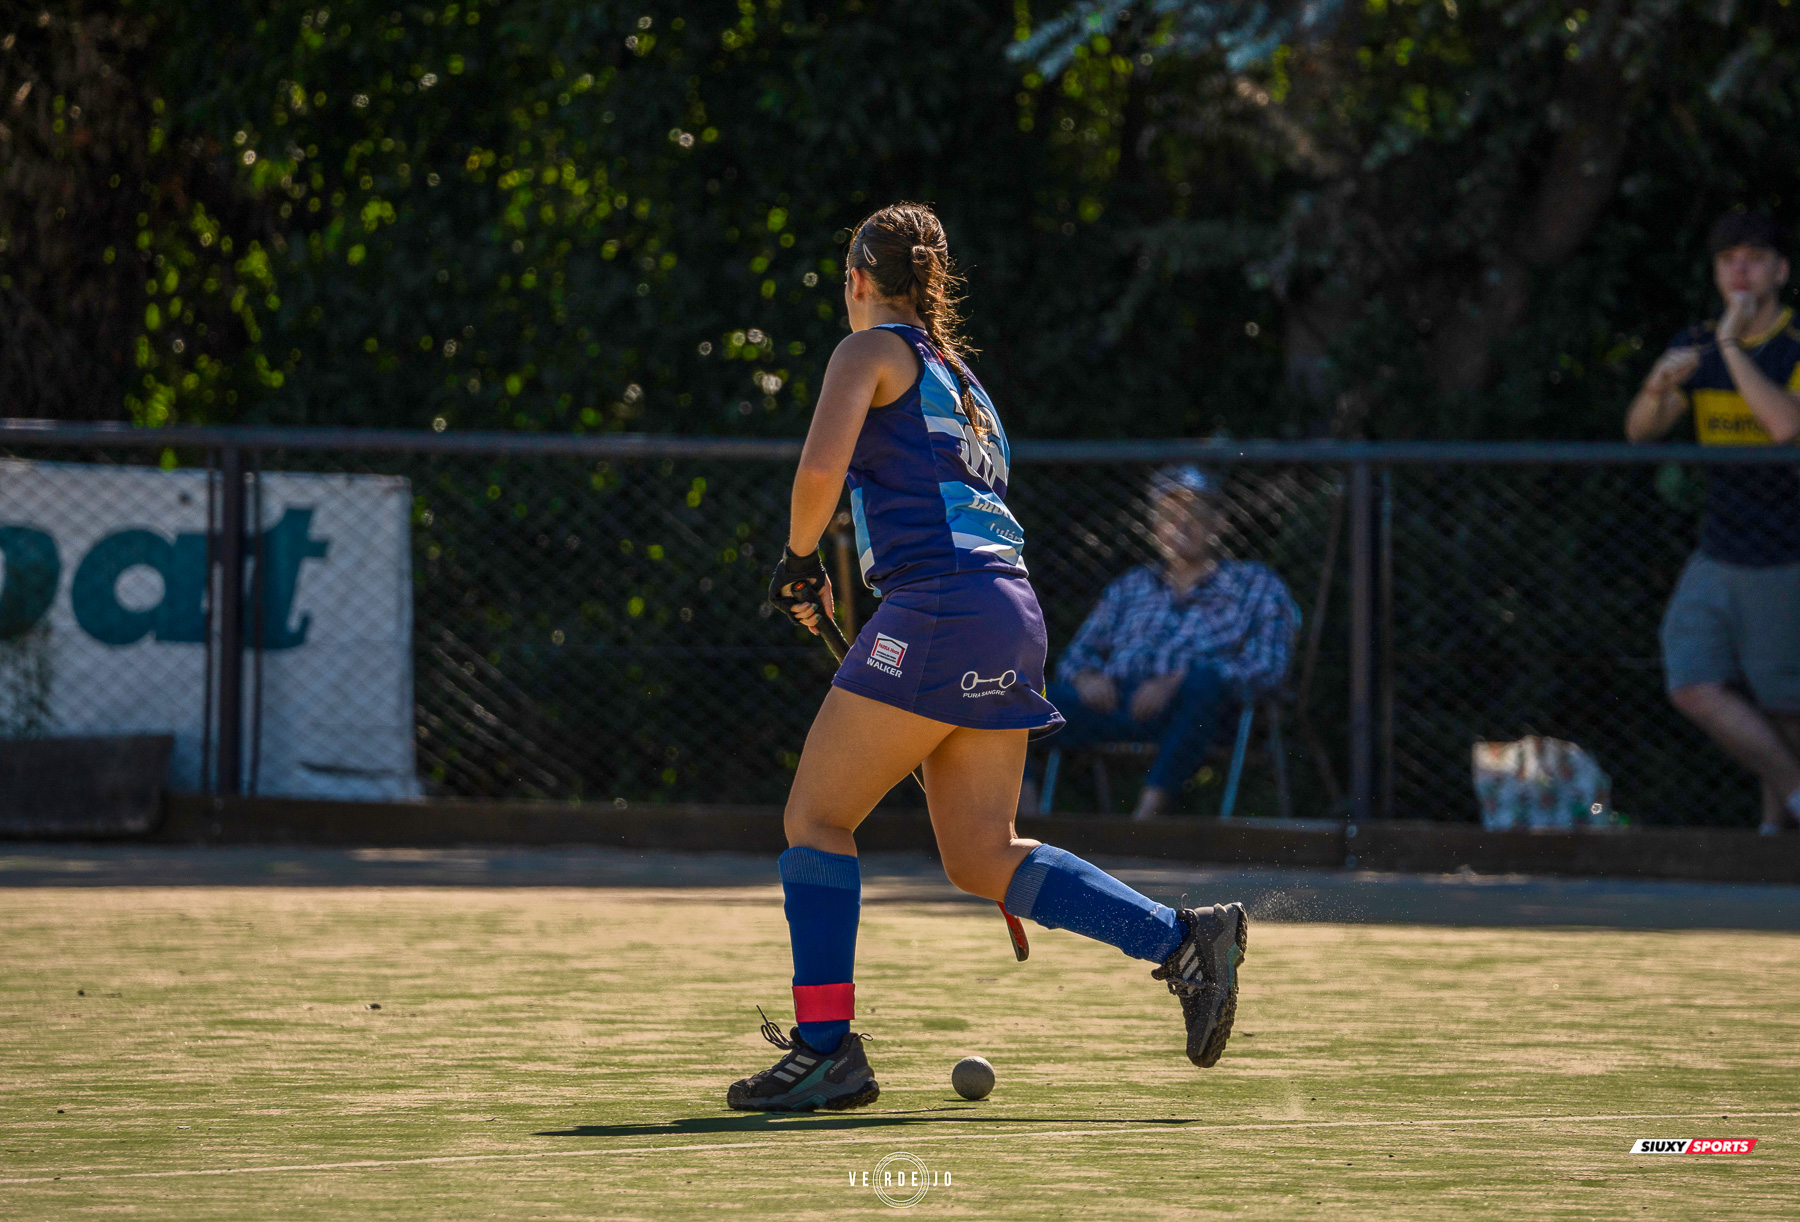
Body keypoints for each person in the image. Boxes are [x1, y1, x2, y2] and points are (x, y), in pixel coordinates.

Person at [735, 202, 1248, 1112]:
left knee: (815, 817)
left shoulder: (866, 352)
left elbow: (819, 474)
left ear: (855, 279)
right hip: (1006, 608)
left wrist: (798, 561)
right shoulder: (961, 379)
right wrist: (834, 568)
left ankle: (825, 1051)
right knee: (980, 854)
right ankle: (1182, 939)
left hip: (940, 608)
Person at [1626, 209, 1800, 834]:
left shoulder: (1791, 345)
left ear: (1781, 271)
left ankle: (1772, 840)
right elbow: (1641, 431)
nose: (1739, 271)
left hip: (1786, 552)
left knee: (1784, 709)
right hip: (1719, 547)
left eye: (1754, 258)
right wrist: (1656, 388)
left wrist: (1731, 345)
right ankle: (1793, 795)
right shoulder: (1696, 343)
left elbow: (1784, 426)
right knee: (1692, 683)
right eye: (1728, 260)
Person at [1036, 466, 1300, 819]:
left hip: (1204, 712)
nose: (1180, 526)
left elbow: (1268, 667)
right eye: (1168, 516)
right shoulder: (1128, 587)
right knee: (1024, 701)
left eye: (1193, 516)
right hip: (1117, 703)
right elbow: (1077, 656)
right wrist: (1086, 678)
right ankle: (1026, 823)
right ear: (1155, 528)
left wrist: (1177, 680)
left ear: (1218, 524)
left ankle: (1145, 821)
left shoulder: (1256, 585)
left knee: (1203, 685)